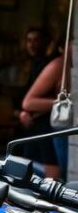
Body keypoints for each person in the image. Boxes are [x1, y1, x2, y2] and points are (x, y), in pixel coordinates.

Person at [20, 41, 70, 179]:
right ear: (62, 47)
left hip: (57, 126)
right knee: (52, 182)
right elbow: (28, 102)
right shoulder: (58, 65)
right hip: (46, 127)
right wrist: (66, 104)